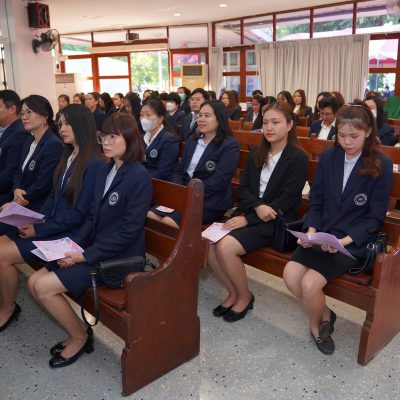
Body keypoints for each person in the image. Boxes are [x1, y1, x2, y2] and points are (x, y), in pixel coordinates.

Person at [27, 112, 152, 368]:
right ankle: (79, 331)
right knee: (33, 281)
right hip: (95, 249)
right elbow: (92, 217)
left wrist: (84, 256)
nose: (105, 142)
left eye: (113, 136)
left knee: (44, 287)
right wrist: (72, 247)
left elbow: (128, 232)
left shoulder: (138, 176)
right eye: (103, 136)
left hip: (117, 259)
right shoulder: (107, 169)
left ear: (130, 138)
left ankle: (80, 337)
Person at [283, 104, 392, 355]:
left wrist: (342, 242)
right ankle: (326, 313)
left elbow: (374, 218)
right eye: (341, 135)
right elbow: (317, 200)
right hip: (323, 232)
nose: (347, 142)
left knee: (310, 284)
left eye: (354, 136)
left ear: (368, 132)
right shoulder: (330, 157)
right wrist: (311, 231)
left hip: (352, 241)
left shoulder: (380, 164)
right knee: (290, 275)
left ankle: (316, 327)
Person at [0, 104, 103, 333]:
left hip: (67, 236)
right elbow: (53, 197)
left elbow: (79, 215)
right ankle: (6, 306)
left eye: (67, 124)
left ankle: (7, 308)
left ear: (81, 126)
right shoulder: (69, 155)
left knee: (2, 255)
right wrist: (35, 220)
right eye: (60, 123)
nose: (62, 128)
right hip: (52, 227)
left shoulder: (94, 164)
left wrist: (39, 230)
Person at [208, 101, 308, 323]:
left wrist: (249, 218)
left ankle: (244, 296)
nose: (269, 128)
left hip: (276, 221)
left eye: (276, 122)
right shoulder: (257, 152)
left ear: (289, 125)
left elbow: (288, 199)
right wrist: (255, 208)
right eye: (265, 122)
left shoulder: (298, 158)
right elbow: (243, 188)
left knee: (226, 247)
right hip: (250, 212)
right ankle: (233, 292)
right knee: (210, 243)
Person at [148, 100, 239, 226]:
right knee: (151, 215)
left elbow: (220, 181)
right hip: (185, 194)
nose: (201, 119)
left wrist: (191, 193)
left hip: (211, 201)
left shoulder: (229, 144)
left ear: (219, 119)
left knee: (169, 222)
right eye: (200, 115)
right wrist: (179, 190)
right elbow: (180, 169)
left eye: (207, 116)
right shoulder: (193, 139)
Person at [4, 95, 63, 214]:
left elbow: (43, 184)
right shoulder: (29, 141)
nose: (24, 117)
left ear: (45, 115)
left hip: (39, 206)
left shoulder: (53, 144)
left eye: (29, 112)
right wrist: (16, 189)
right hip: (22, 200)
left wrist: (16, 202)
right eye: (22, 113)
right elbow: (18, 172)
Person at [0, 90, 30, 206]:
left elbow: (9, 175)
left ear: (12, 109)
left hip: (6, 195)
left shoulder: (19, 134)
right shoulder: (5, 129)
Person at [140, 97, 179, 181]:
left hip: (161, 183)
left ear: (160, 118)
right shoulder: (143, 136)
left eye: (148, 115)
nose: (143, 119)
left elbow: (162, 172)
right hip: (143, 178)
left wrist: (140, 179)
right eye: (142, 115)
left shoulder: (169, 140)